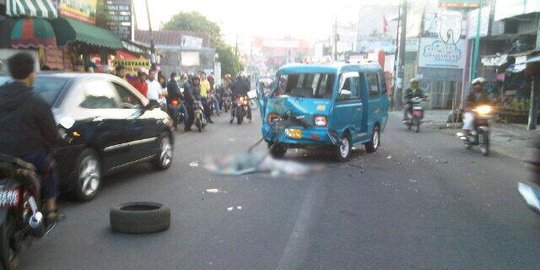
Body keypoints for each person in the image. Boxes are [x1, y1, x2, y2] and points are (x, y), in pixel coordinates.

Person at [0, 53, 62, 222]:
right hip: (29, 156)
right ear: (30, 74)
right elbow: (51, 135)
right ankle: (50, 209)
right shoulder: (37, 102)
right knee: (50, 166)